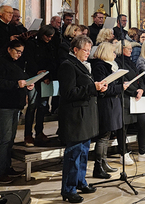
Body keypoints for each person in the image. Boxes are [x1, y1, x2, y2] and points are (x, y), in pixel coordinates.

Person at [58, 35, 107, 203]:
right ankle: (68, 189)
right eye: (85, 50)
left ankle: (80, 182)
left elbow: (86, 87)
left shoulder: (84, 65)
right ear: (75, 50)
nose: (88, 53)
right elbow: (68, 93)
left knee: (84, 152)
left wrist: (98, 88)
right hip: (75, 117)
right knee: (74, 154)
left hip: (86, 115)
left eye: (89, 50)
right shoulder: (67, 66)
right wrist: (92, 87)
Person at [0, 40, 34, 184]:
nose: (19, 54)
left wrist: (27, 85)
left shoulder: (17, 62)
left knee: (10, 139)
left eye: (21, 52)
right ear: (9, 49)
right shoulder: (0, 62)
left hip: (16, 105)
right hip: (5, 105)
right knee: (4, 140)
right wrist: (16, 84)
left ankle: (7, 167)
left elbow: (21, 79)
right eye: (17, 51)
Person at [115, 40, 145, 163]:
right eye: (128, 48)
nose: (131, 50)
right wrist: (134, 92)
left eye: (131, 48)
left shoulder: (131, 62)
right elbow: (122, 81)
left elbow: (139, 78)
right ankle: (123, 153)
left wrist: (141, 89)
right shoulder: (119, 62)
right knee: (124, 126)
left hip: (136, 98)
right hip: (125, 98)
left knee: (144, 121)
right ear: (121, 49)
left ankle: (143, 152)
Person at [90, 42, 129, 178]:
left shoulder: (110, 65)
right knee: (103, 136)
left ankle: (104, 162)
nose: (115, 54)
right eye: (112, 52)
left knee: (106, 136)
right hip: (105, 104)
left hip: (113, 103)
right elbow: (103, 89)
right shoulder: (100, 67)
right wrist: (120, 88)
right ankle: (98, 166)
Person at [22, 25, 57, 147]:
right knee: (32, 107)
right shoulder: (32, 44)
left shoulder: (50, 46)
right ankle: (28, 134)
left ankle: (39, 132)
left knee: (43, 106)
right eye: (48, 36)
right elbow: (29, 60)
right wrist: (37, 71)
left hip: (45, 78)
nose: (49, 38)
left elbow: (52, 61)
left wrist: (47, 74)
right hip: (33, 77)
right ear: (42, 34)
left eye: (51, 37)